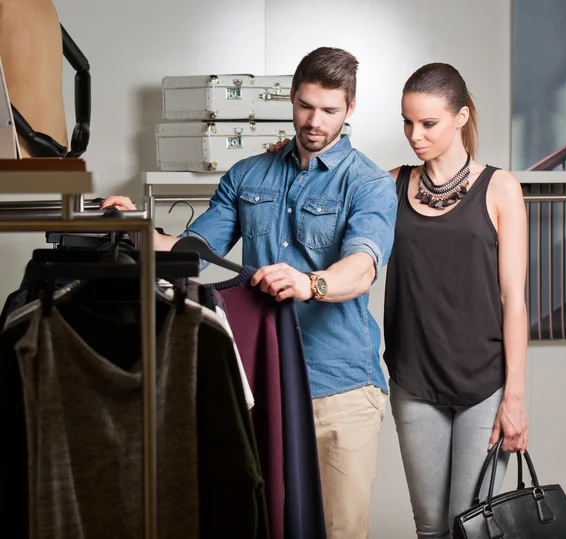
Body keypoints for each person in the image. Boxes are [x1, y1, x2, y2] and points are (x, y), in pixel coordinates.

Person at [103, 47, 398, 539]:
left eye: (329, 110)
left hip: (340, 389)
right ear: (291, 98)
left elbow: (362, 268)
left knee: (340, 531)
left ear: (350, 108)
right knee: (262, 524)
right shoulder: (247, 175)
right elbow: (192, 254)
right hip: (262, 379)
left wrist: (311, 284)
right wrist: (132, 226)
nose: (314, 121)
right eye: (306, 106)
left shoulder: (368, 183)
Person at [383, 62, 529, 538]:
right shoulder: (390, 184)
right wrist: (285, 154)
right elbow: (327, 198)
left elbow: (514, 299)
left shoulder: (501, 188)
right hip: (414, 379)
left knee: (475, 529)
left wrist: (516, 397)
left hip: (484, 385)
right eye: (407, 122)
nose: (414, 135)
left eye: (428, 123)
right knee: (430, 529)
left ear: (462, 116)